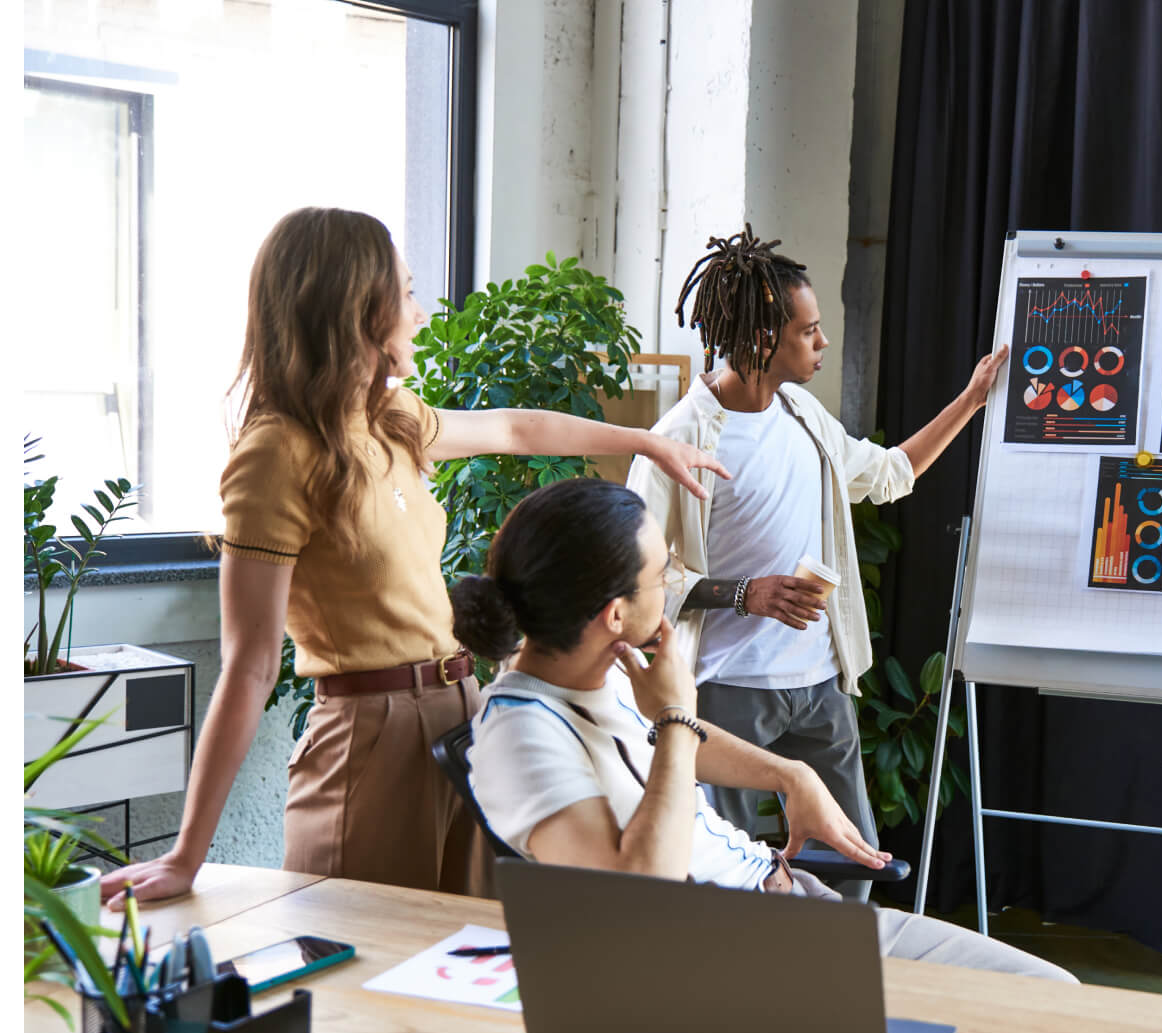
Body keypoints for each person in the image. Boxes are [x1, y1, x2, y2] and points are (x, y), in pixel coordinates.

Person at [102, 207, 726, 907]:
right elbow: (249, 664)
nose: (419, 312)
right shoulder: (274, 455)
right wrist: (188, 856)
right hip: (369, 739)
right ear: (355, 310)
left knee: (462, 956)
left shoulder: (388, 419)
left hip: (462, 714)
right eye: (404, 292)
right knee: (357, 968)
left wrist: (645, 443)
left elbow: (515, 428)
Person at [453, 477, 1074, 981]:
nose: (671, 582)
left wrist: (790, 773)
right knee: (1048, 997)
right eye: (662, 572)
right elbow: (637, 895)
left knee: (1054, 997)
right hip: (743, 953)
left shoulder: (599, 667)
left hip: (782, 901)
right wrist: (674, 716)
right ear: (616, 614)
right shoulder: (520, 735)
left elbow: (664, 739)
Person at [631, 225, 1007, 900]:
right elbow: (639, 581)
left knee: (855, 864)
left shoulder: (804, 414)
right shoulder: (676, 439)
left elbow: (890, 473)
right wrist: (745, 593)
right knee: (722, 881)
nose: (823, 344)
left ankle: (830, 996)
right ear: (762, 340)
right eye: (809, 332)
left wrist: (973, 401)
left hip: (822, 684)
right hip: (727, 691)